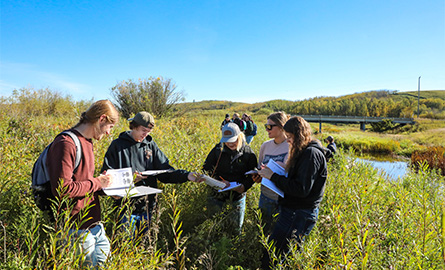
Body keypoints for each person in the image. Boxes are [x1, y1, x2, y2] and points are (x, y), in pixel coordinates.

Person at [101, 111, 201, 236]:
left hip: (147, 206)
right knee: (124, 243)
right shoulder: (117, 145)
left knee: (144, 243)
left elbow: (165, 171)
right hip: (125, 208)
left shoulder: (150, 145)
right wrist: (130, 179)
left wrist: (187, 175)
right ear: (134, 126)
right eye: (143, 130)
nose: (146, 134)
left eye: (148, 131)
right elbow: (106, 176)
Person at [47, 100, 119, 268]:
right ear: (101, 119)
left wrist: (105, 188)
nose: (109, 133)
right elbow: (63, 190)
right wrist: (97, 182)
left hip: (94, 224)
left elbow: (84, 183)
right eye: (110, 127)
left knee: (103, 263)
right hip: (74, 228)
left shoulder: (87, 142)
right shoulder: (66, 143)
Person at [258, 116, 328, 269]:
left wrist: (273, 176)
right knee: (279, 253)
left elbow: (301, 189)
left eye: (290, 137)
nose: (288, 141)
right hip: (293, 211)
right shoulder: (304, 152)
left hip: (298, 213)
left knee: (275, 255)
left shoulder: (311, 155)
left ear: (300, 135)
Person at [203, 123, 258, 234]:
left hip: (238, 197)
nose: (230, 143)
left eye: (233, 139)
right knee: (214, 227)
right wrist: (218, 181)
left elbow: (254, 175)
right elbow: (206, 169)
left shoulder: (248, 153)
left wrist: (244, 186)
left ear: (240, 136)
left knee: (235, 230)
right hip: (216, 196)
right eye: (227, 140)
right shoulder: (217, 150)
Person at [252, 112, 289, 234]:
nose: (267, 130)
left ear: (281, 126)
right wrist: (258, 177)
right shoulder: (265, 146)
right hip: (265, 196)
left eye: (270, 126)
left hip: (282, 198)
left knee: (280, 234)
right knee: (264, 231)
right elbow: (260, 168)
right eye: (266, 126)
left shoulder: (291, 146)